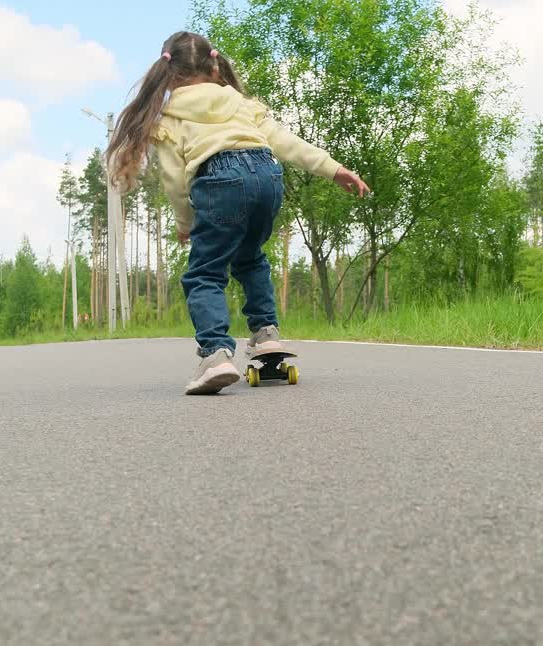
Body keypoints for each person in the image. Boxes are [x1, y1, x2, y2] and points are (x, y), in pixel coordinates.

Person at [106, 31, 370, 395]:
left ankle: (215, 354)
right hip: (267, 176)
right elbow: (286, 142)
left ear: (167, 74)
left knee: (205, 273)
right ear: (214, 65)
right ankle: (266, 335)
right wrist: (333, 168)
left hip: (218, 182)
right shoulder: (239, 103)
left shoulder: (167, 119)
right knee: (250, 259)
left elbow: (174, 181)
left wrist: (186, 223)